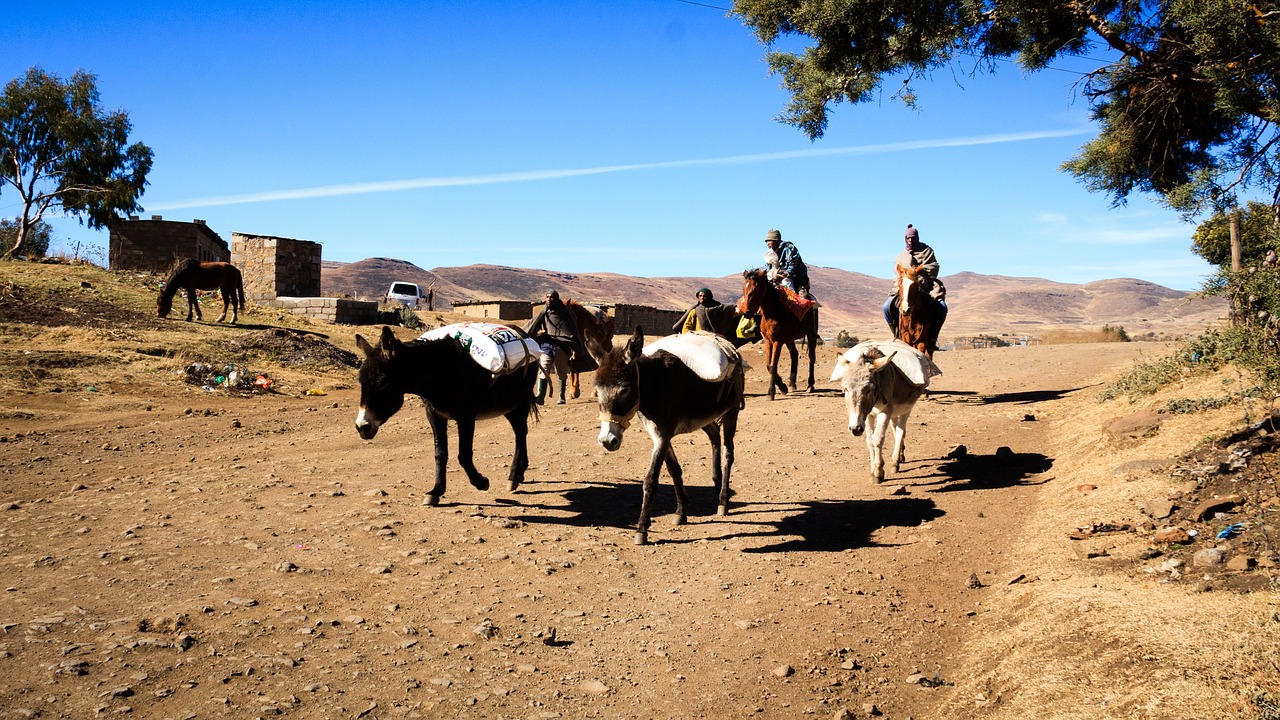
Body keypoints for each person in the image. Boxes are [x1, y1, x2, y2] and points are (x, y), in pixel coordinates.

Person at [883, 223, 948, 338]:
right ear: (905, 239)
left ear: (917, 237)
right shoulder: (901, 256)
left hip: (926, 286)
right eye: (908, 238)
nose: (910, 240)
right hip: (904, 288)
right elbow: (896, 271)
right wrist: (905, 275)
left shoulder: (927, 251)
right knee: (886, 307)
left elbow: (934, 266)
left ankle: (933, 337)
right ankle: (896, 334)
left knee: (942, 307)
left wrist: (918, 272)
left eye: (913, 238)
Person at [524, 290, 585, 405]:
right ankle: (540, 396)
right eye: (547, 297)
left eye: (551, 297)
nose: (548, 299)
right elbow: (534, 325)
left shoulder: (565, 314)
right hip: (547, 345)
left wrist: (573, 348)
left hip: (561, 347)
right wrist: (539, 333)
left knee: (561, 372)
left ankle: (561, 396)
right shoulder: (544, 312)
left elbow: (571, 331)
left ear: (556, 299)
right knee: (544, 368)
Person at [763, 228, 811, 298]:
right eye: (766, 241)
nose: (767, 243)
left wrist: (785, 274)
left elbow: (794, 264)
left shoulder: (789, 249)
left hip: (794, 278)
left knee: (793, 296)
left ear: (776, 241)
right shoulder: (770, 254)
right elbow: (767, 268)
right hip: (775, 280)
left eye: (769, 241)